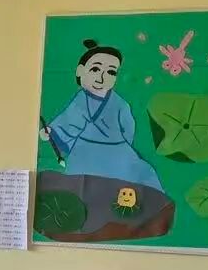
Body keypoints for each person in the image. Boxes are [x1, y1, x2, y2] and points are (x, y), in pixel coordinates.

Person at [38, 40, 166, 192]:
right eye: (95, 69)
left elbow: (128, 129)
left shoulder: (120, 104)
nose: (101, 77)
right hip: (84, 152)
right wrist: (51, 132)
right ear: (80, 71)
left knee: (140, 175)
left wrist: (120, 147)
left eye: (111, 72)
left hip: (116, 149)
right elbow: (68, 123)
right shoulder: (79, 101)